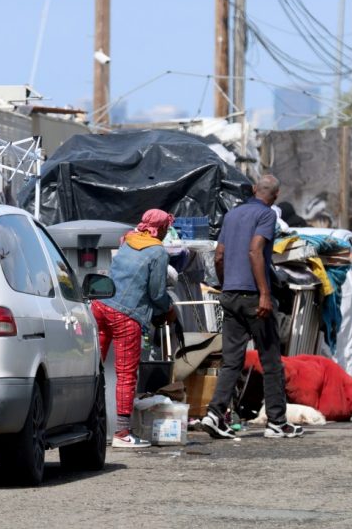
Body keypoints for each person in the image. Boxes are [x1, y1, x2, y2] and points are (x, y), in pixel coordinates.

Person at [201, 174, 303, 439]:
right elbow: (255, 250)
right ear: (276, 195)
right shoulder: (267, 216)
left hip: (231, 295)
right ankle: (277, 422)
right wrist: (265, 293)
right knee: (271, 361)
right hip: (253, 297)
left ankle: (214, 414)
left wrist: (226, 286)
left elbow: (219, 256)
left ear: (255, 189)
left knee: (231, 362)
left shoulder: (232, 216)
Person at [92, 209, 176, 448]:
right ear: (160, 229)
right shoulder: (158, 251)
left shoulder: (129, 239)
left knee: (93, 368)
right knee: (126, 376)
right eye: (166, 228)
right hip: (126, 315)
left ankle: (88, 423)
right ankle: (121, 433)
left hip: (100, 305)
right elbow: (157, 293)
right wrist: (168, 308)